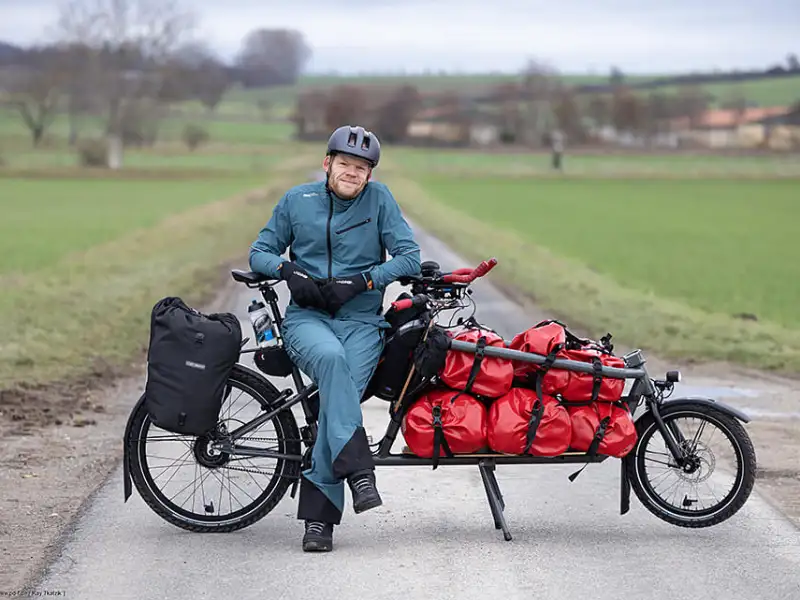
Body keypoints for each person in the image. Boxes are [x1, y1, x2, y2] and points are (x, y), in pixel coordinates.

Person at [248, 125, 421, 552]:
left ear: (370, 175)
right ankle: (358, 469)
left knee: (333, 403)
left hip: (362, 323)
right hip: (308, 320)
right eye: (345, 164)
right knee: (330, 361)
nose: (352, 173)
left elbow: (409, 256)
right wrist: (289, 272)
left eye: (361, 168)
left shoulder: (380, 201)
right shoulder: (296, 200)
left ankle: (319, 523)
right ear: (327, 164)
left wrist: (364, 281)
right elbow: (259, 252)